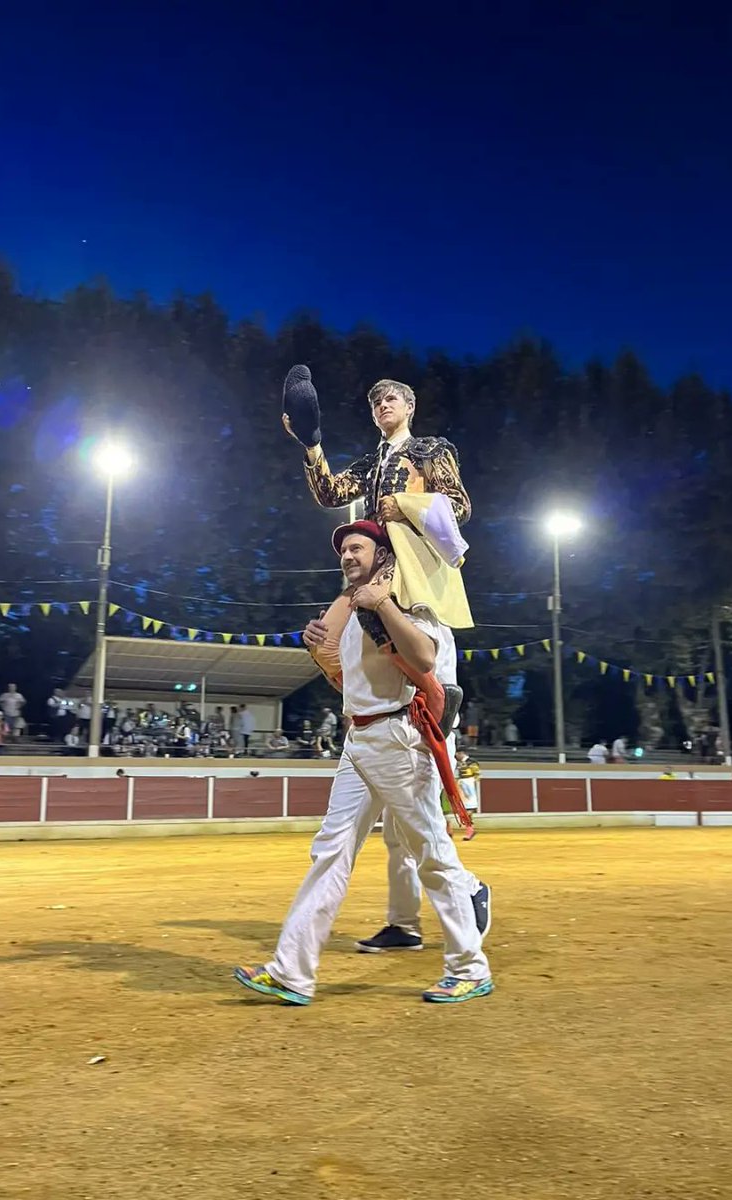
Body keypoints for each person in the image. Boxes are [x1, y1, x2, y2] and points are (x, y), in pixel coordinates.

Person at [234, 520, 492, 1006]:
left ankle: (470, 967)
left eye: (358, 547)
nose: (348, 556)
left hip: (399, 739)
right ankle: (291, 971)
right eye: (344, 551)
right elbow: (348, 687)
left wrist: (385, 606)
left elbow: (424, 658)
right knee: (330, 850)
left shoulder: (410, 597)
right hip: (360, 738)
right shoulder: (351, 611)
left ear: (382, 554)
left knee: (432, 854)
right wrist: (321, 650)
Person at [283, 366, 476, 948]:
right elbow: (327, 494)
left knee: (412, 796)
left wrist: (402, 501)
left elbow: (459, 508)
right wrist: (311, 441)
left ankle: (457, 897)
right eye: (373, 400)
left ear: (410, 405)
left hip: (412, 588)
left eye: (390, 396)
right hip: (372, 586)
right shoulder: (368, 463)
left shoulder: (429, 449)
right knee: (325, 644)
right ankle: (406, 921)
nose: (380, 404)